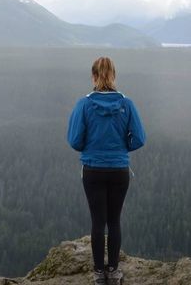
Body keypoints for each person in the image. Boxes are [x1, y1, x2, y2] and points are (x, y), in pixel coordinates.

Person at [67, 56, 146, 285]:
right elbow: (140, 138)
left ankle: (99, 274)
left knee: (97, 222)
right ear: (114, 76)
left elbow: (74, 140)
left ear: (93, 76)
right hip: (119, 170)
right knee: (114, 221)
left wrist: (90, 148)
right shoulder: (126, 104)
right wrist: (122, 148)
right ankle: (113, 271)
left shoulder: (84, 104)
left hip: (92, 170)